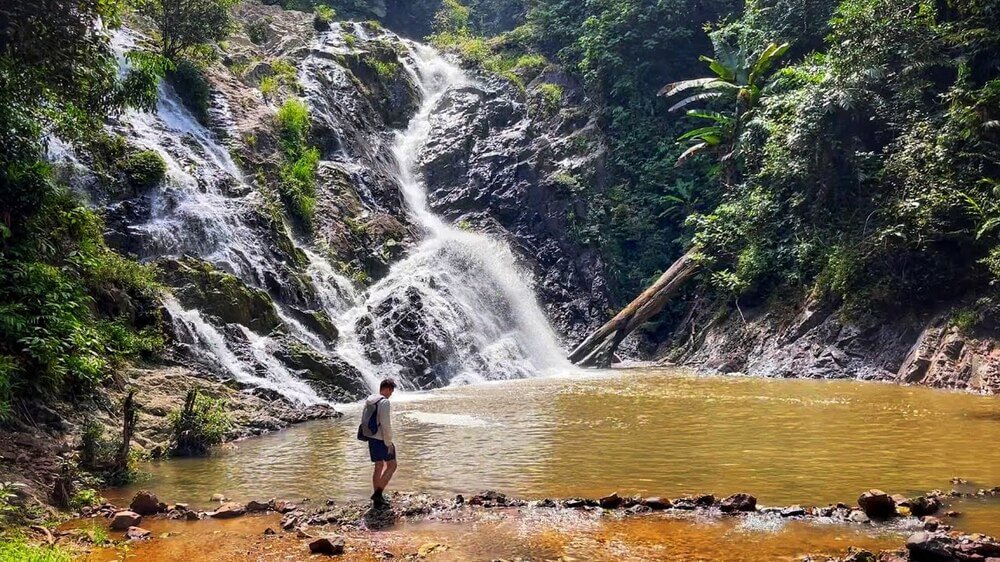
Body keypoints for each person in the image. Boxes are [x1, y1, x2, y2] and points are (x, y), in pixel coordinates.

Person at [361, 378, 396, 506]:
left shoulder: (371, 399)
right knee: (392, 465)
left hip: (371, 438)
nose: (391, 395)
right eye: (391, 392)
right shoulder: (384, 402)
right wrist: (389, 443)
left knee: (378, 466)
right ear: (386, 389)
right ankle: (378, 494)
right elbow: (386, 424)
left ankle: (377, 498)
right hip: (381, 439)